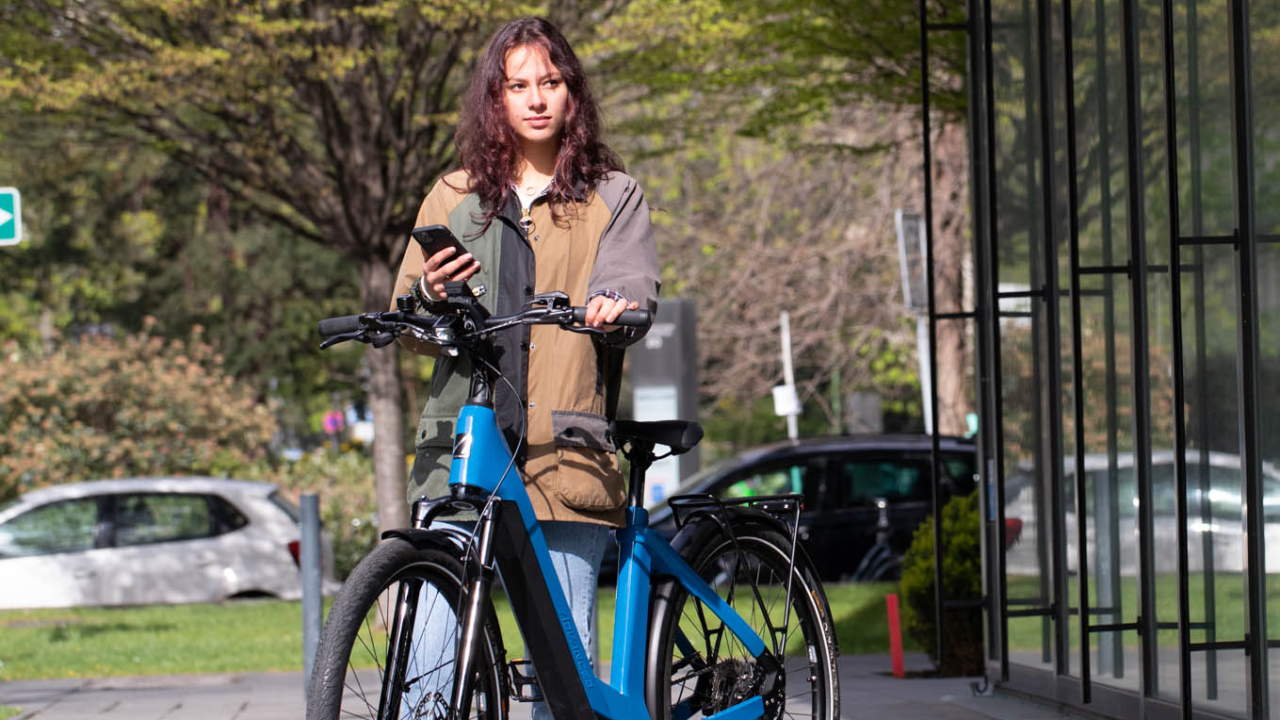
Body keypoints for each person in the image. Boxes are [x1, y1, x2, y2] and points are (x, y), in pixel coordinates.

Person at [389, 15, 659, 717]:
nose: (536, 98)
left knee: (562, 677)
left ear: (571, 94)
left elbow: (630, 286)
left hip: (563, 457)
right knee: (429, 666)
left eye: (550, 81)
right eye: (518, 85)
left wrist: (612, 304)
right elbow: (410, 319)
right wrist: (430, 293)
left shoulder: (611, 194)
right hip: (465, 450)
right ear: (496, 100)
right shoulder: (454, 197)